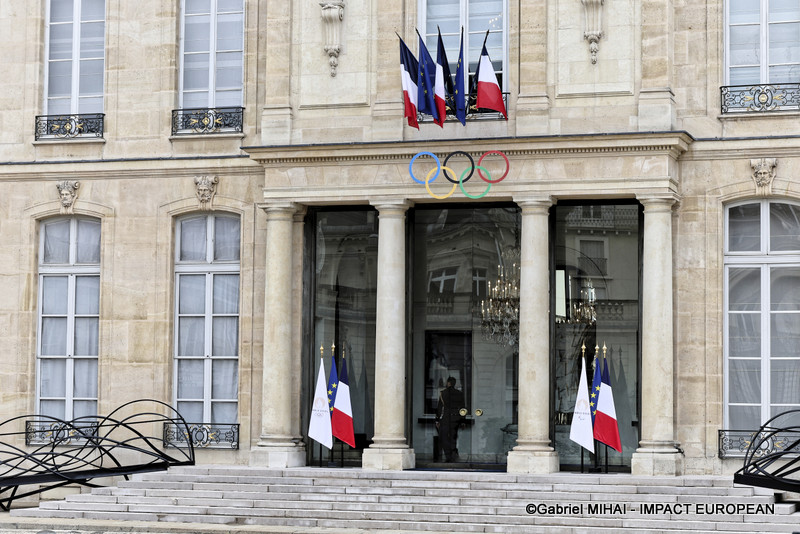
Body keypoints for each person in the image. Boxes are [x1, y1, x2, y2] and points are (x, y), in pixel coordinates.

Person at [436, 376, 465, 462]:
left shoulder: (443, 393)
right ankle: (453, 454)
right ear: (454, 383)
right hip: (456, 418)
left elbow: (440, 408)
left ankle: (448, 456)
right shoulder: (459, 393)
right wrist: (463, 421)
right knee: (453, 437)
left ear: (448, 383)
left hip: (446, 417)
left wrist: (437, 419)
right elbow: (463, 408)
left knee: (444, 437)